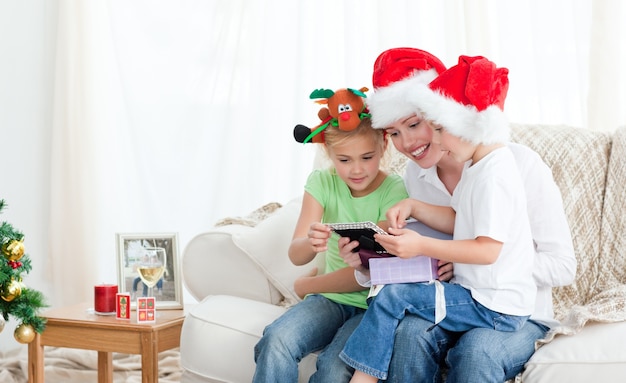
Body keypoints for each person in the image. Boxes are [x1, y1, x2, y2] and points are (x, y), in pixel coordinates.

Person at [356, 47, 576, 383]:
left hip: (508, 306)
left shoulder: (514, 168)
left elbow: (554, 264)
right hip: (463, 297)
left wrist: (462, 262)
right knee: (410, 334)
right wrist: (373, 254)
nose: (408, 143)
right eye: (394, 133)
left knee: (477, 351)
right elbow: (459, 225)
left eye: (420, 124)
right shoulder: (423, 176)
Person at [251, 109, 409, 382]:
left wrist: (306, 286)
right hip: (329, 300)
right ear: (329, 153)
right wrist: (311, 243)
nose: (356, 169)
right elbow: (296, 255)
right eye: (344, 160)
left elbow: (369, 277)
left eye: (367, 158)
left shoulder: (395, 190)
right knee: (277, 339)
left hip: (373, 306)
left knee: (334, 371)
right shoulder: (322, 182)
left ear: (384, 145)